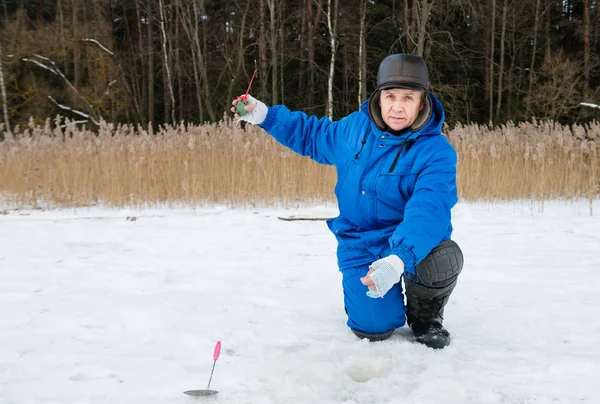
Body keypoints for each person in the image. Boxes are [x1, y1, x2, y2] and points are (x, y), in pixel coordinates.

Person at [231, 54, 464, 349]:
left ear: (422, 101)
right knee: (374, 328)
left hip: (409, 243)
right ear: (379, 97)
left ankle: (425, 314)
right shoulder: (355, 128)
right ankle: (372, 302)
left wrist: (397, 259)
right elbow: (313, 135)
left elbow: (429, 211)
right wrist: (264, 115)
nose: (397, 106)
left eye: (408, 97)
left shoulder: (436, 152)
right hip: (361, 241)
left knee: (441, 257)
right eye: (390, 96)